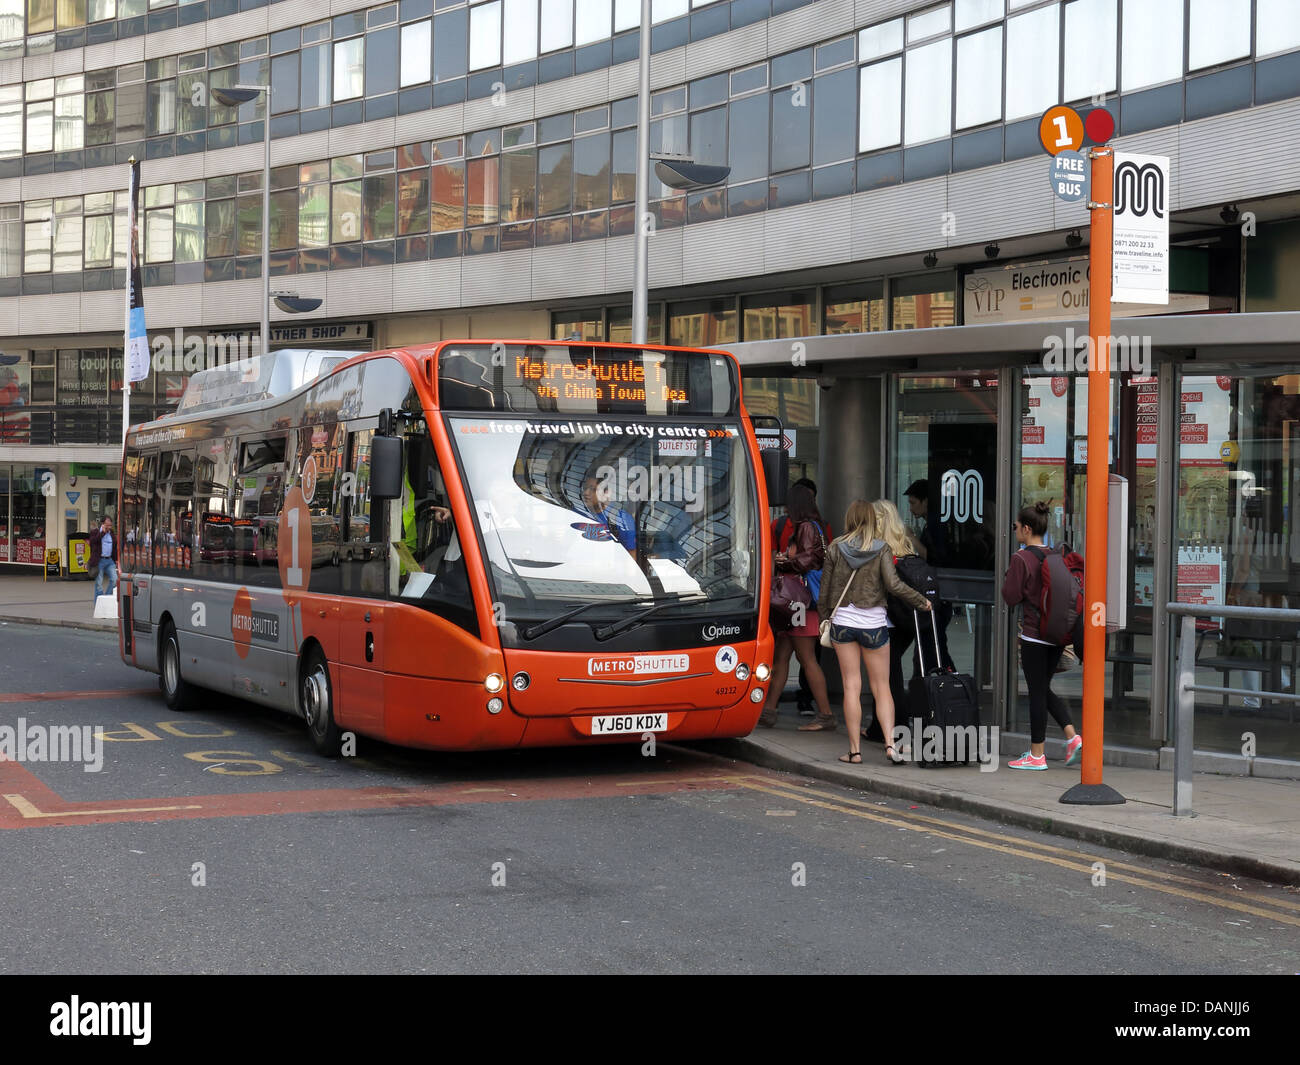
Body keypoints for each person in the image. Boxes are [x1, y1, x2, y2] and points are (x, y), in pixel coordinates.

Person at [818, 500, 931, 764]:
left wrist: (824, 617)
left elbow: (824, 591)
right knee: (882, 687)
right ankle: (890, 746)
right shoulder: (882, 548)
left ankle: (855, 751)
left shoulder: (835, 547)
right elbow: (893, 586)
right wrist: (920, 600)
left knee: (851, 687)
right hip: (874, 625)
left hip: (844, 623)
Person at [1001, 501, 1082, 770]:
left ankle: (1037, 754)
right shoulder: (1055, 555)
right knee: (1043, 688)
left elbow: (1010, 597)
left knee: (1036, 692)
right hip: (1056, 634)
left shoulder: (1020, 558)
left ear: (1026, 528)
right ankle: (1072, 737)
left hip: (1035, 635)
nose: (1014, 531)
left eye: (1015, 527)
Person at [759, 484, 834, 731]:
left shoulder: (804, 528)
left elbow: (805, 561)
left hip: (800, 604)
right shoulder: (819, 527)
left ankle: (825, 715)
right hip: (804, 603)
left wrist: (784, 561)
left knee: (806, 658)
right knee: (783, 656)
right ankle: (769, 711)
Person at [575, 474, 636, 552]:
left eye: (593, 489)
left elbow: (631, 553)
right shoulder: (578, 512)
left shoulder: (622, 519)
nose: (586, 493)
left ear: (606, 493)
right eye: (585, 488)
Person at [89, 517, 118, 601]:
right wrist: (103, 533)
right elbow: (94, 541)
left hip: (109, 560)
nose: (110, 525)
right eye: (108, 522)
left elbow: (114, 546)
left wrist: (115, 559)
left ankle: (105, 598)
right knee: (99, 583)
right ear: (103, 523)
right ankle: (98, 602)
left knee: (115, 580)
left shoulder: (111, 533)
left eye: (110, 523)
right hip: (99, 560)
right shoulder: (96, 532)